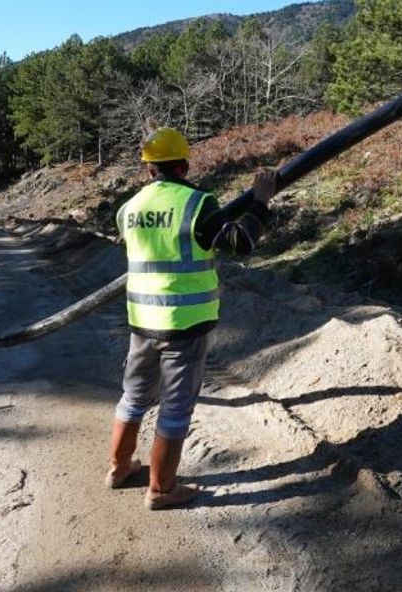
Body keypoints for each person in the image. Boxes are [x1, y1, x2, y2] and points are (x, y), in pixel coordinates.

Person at [107, 127, 277, 509]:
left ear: (149, 169)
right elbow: (240, 243)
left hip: (141, 321)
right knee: (175, 409)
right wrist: (260, 201)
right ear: (184, 166)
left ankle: (119, 469)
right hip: (183, 325)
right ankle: (161, 490)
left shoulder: (128, 209)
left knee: (133, 397)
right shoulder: (198, 203)